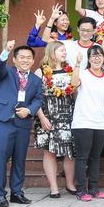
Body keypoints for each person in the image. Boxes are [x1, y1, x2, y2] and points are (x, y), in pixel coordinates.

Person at [0, 40, 45, 207]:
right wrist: (5, 50)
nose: (25, 60)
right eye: (22, 57)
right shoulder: (7, 72)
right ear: (14, 60)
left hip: (23, 122)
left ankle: (17, 193)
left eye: (29, 58)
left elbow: (38, 98)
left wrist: (29, 110)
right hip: (4, 121)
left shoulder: (35, 80)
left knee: (19, 159)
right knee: (1, 157)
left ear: (33, 61)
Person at [33, 41, 76, 198]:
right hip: (47, 115)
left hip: (67, 115)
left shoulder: (70, 70)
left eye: (65, 51)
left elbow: (75, 92)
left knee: (70, 151)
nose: (64, 53)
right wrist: (41, 117)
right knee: (49, 152)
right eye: (61, 50)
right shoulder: (40, 72)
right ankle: (54, 187)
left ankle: (70, 184)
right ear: (52, 52)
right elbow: (34, 96)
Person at [70, 45, 104, 202]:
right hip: (83, 122)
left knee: (96, 157)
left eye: (99, 55)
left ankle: (94, 188)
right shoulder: (83, 73)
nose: (96, 58)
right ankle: (81, 190)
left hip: (100, 122)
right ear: (89, 58)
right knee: (82, 157)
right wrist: (77, 64)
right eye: (93, 56)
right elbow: (73, 84)